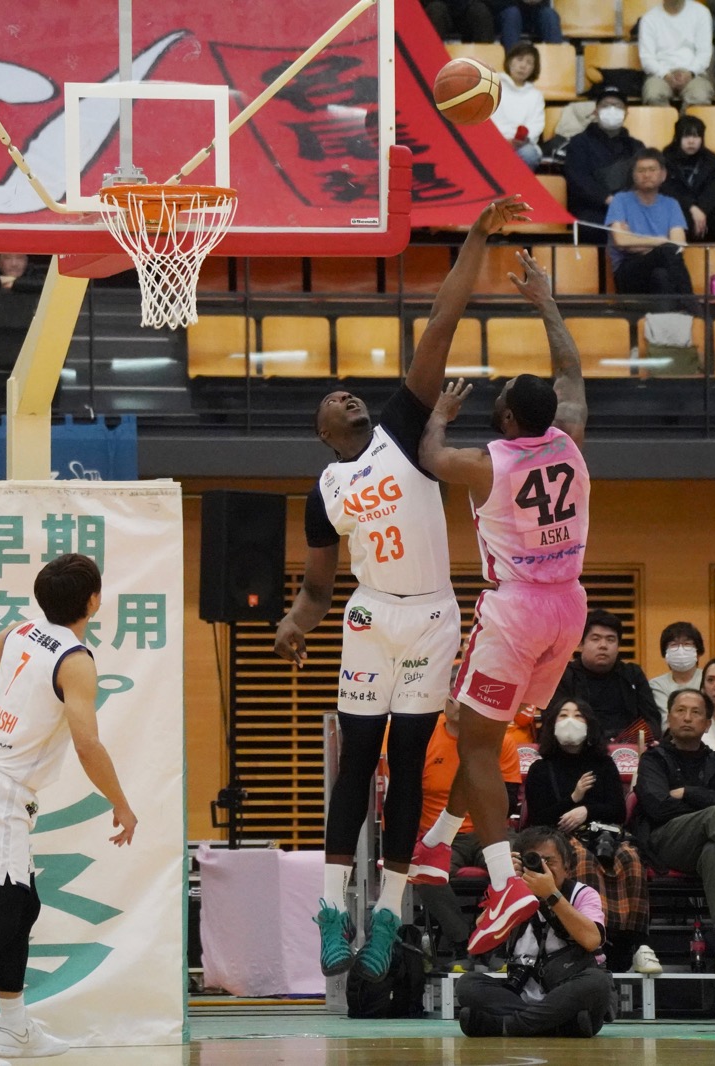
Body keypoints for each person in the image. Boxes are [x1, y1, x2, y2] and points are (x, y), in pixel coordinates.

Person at [274, 197, 529, 978]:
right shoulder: (324, 489)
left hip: (431, 617)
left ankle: (385, 915)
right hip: (369, 617)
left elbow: (440, 324)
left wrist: (475, 238)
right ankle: (329, 908)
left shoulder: (401, 435)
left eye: (350, 390)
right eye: (333, 398)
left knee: (409, 763)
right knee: (357, 759)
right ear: (323, 431)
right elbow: (318, 586)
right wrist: (296, 622)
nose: (346, 393)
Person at [415, 248, 592, 956]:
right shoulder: (570, 438)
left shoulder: (486, 461)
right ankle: (436, 843)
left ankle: (501, 882)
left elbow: (430, 457)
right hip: (569, 609)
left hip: (516, 610)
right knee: (483, 735)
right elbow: (571, 374)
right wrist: (546, 302)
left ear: (509, 415)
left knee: (475, 741)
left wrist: (440, 413)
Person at [0, 556, 134, 1066]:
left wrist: (17, 676)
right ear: (93, 601)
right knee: (0, 916)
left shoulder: (21, 630)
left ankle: (13, 1027)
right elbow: (87, 744)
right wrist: (121, 803)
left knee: (24, 908)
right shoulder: (76, 659)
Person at [522, 698, 650, 969]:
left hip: (602, 835)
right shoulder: (541, 769)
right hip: (557, 837)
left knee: (630, 858)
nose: (570, 721)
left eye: (578, 715)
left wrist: (586, 810)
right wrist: (573, 798)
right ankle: (589, 934)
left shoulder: (603, 765)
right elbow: (537, 819)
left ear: (589, 724)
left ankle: (630, 943)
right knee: (581, 859)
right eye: (563, 715)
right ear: (551, 724)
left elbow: (617, 811)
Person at [454, 827, 614, 1038]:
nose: (541, 867)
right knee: (467, 984)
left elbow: (592, 940)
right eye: (533, 860)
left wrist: (551, 895)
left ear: (567, 868)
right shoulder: (513, 894)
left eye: (549, 861)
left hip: (569, 991)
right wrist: (505, 884)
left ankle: (506, 1026)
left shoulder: (582, 894)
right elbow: (484, 937)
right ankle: (558, 1026)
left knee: (597, 982)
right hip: (523, 996)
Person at [412, 698, 525, 970]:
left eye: (465, 697)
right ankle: (463, 942)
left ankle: (497, 943)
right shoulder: (424, 739)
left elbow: (509, 799)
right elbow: (408, 797)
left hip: (489, 831)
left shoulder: (501, 739)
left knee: (517, 866)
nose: (459, 703)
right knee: (425, 874)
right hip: (442, 837)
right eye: (452, 697)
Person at [630, 689, 715, 942]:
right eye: (680, 710)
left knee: (712, 852)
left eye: (696, 712)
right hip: (663, 841)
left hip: (703, 846)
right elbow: (658, 808)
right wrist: (706, 810)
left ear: (707, 725)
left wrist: (689, 793)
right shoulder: (653, 759)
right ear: (669, 718)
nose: (687, 717)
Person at [551, 609, 663, 743]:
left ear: (618, 646)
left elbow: (652, 722)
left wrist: (621, 741)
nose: (603, 645)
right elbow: (553, 721)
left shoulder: (632, 675)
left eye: (610, 640)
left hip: (626, 747)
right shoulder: (564, 675)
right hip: (578, 747)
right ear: (580, 644)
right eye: (595, 639)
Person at [605, 150, 693, 303]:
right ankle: (693, 306)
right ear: (634, 175)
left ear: (663, 175)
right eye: (641, 170)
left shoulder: (671, 204)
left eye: (652, 170)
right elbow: (621, 241)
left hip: (662, 270)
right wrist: (659, 241)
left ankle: (672, 313)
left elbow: (678, 244)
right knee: (666, 251)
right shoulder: (620, 200)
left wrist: (638, 243)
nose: (646, 175)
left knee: (661, 275)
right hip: (629, 272)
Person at [563, 86, 646, 239]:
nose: (612, 110)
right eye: (606, 105)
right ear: (596, 111)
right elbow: (578, 179)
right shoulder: (579, 143)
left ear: (626, 113)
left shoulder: (636, 146)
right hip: (592, 209)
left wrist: (625, 204)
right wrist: (608, 199)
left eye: (618, 106)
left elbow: (643, 179)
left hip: (629, 208)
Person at [661, 115, 715, 243]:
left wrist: (702, 209)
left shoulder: (711, 160)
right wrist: (692, 207)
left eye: (696, 136)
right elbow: (667, 189)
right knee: (677, 219)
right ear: (678, 138)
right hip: (678, 208)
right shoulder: (665, 159)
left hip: (706, 210)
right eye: (686, 136)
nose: (691, 141)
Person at [637, 0, 715, 110]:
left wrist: (690, 73)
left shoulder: (701, 13)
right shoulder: (649, 19)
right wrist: (665, 75)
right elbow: (647, 58)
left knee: (700, 96)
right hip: (660, 74)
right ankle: (666, 122)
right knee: (653, 95)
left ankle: (686, 122)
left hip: (694, 74)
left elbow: (704, 53)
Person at [493, 43, 548, 169]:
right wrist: (502, 141)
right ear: (510, 61)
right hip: (493, 141)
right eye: (519, 59)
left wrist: (518, 141)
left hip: (521, 145)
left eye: (529, 63)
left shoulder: (536, 95)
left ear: (534, 69)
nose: (523, 66)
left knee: (529, 154)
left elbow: (536, 125)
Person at [648, 620, 704, 709]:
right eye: (673, 644)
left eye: (687, 644)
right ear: (665, 654)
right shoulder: (656, 685)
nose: (680, 650)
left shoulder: (709, 680)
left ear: (698, 652)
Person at [495, 0, 564, 49]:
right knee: (512, 15)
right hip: (508, 10)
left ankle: (557, 60)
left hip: (537, 11)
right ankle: (512, 60)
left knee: (550, 16)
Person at [425, 0, 494, 42]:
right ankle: (431, 54)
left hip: (468, 8)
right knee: (436, 10)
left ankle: (484, 57)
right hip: (439, 7)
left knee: (480, 12)